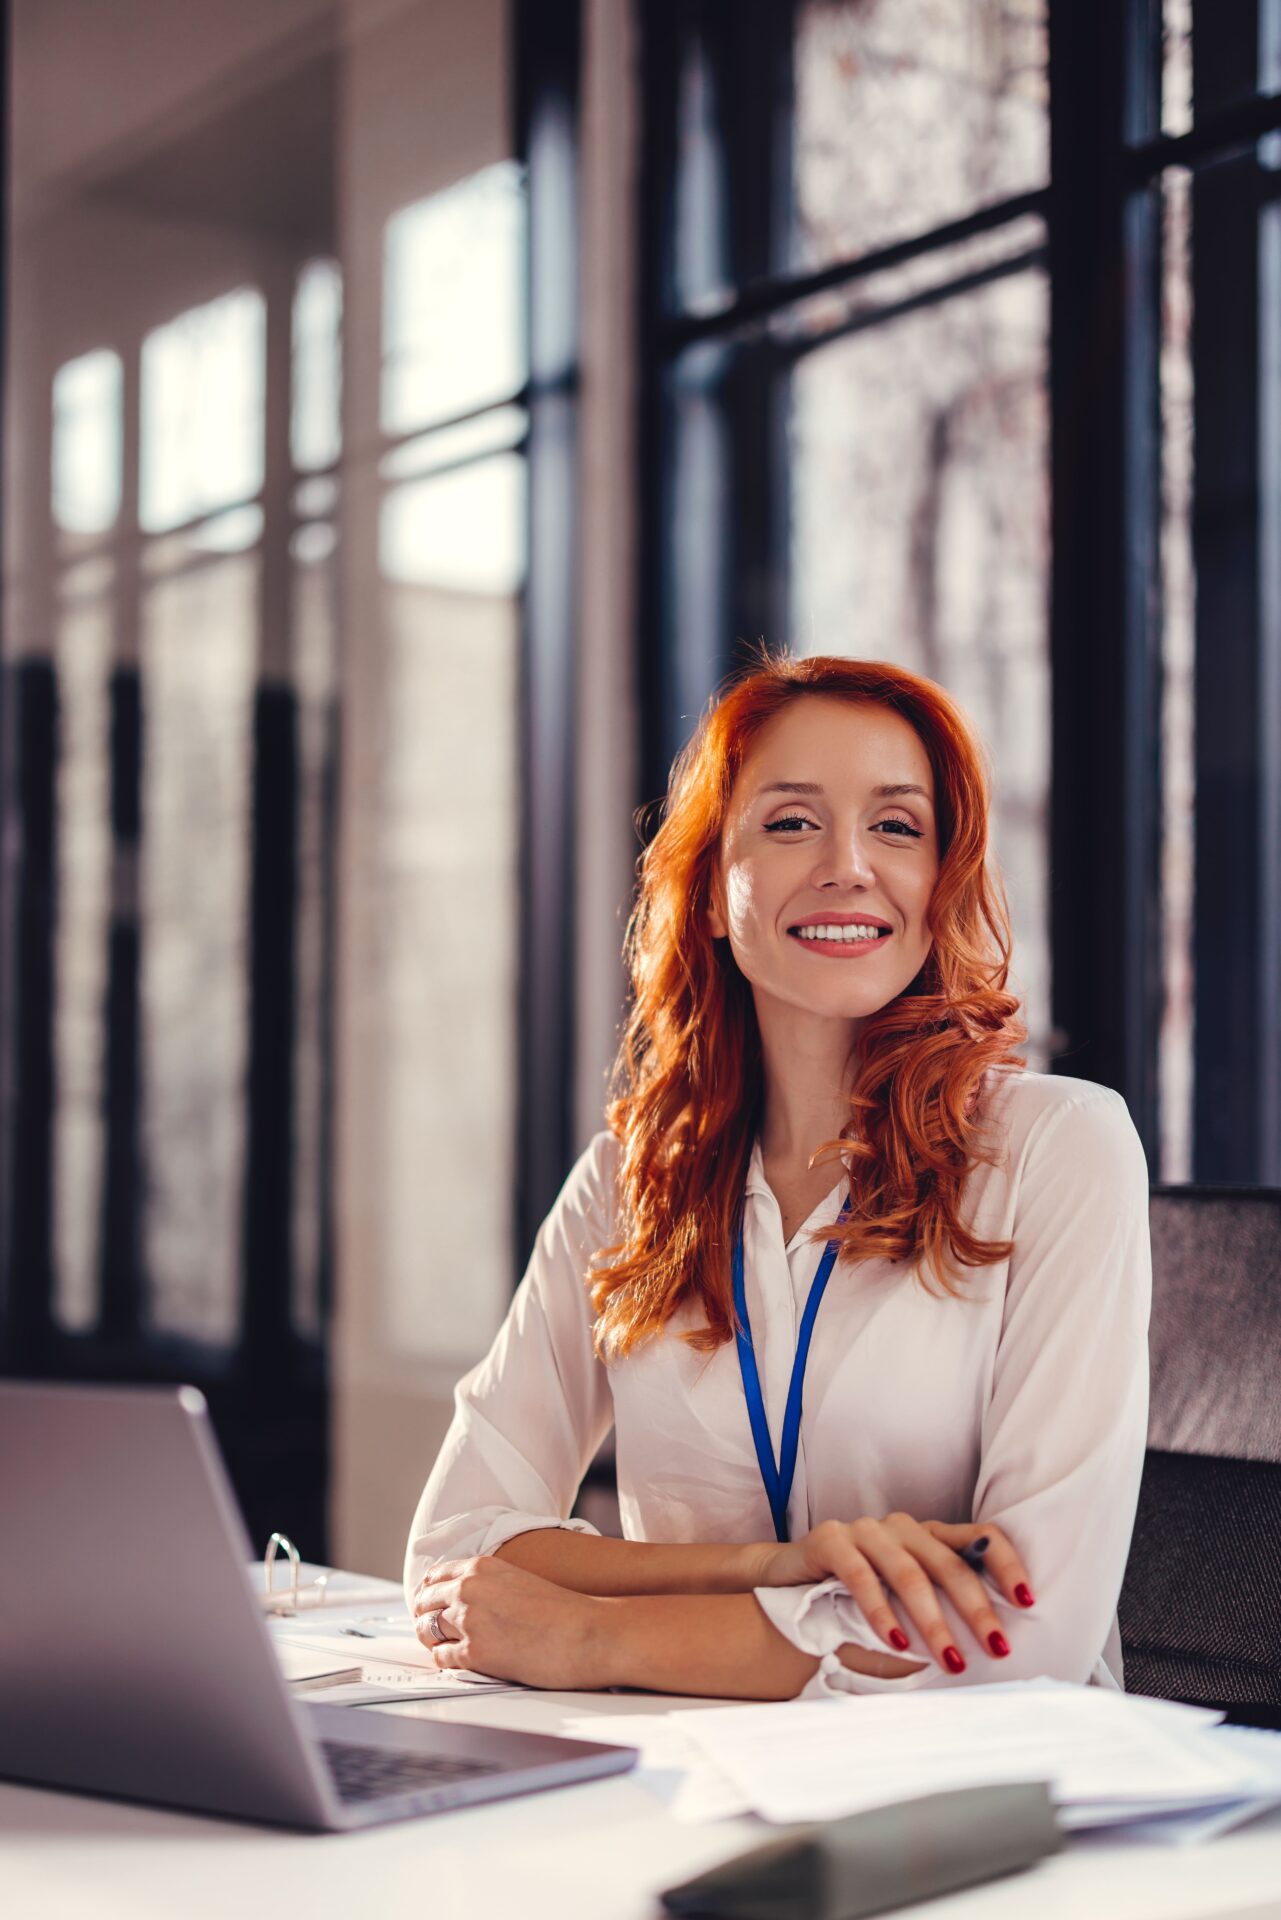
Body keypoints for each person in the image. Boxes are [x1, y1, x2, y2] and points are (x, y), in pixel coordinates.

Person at [405, 654, 1151, 1700]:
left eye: (898, 827)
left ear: (941, 883)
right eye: (793, 823)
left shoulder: (1061, 1147)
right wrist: (773, 1568)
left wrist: (593, 1637)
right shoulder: (634, 1178)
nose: (849, 865)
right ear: (712, 889)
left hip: (983, 1801)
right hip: (680, 1777)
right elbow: (453, 1547)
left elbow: (1023, 1635)